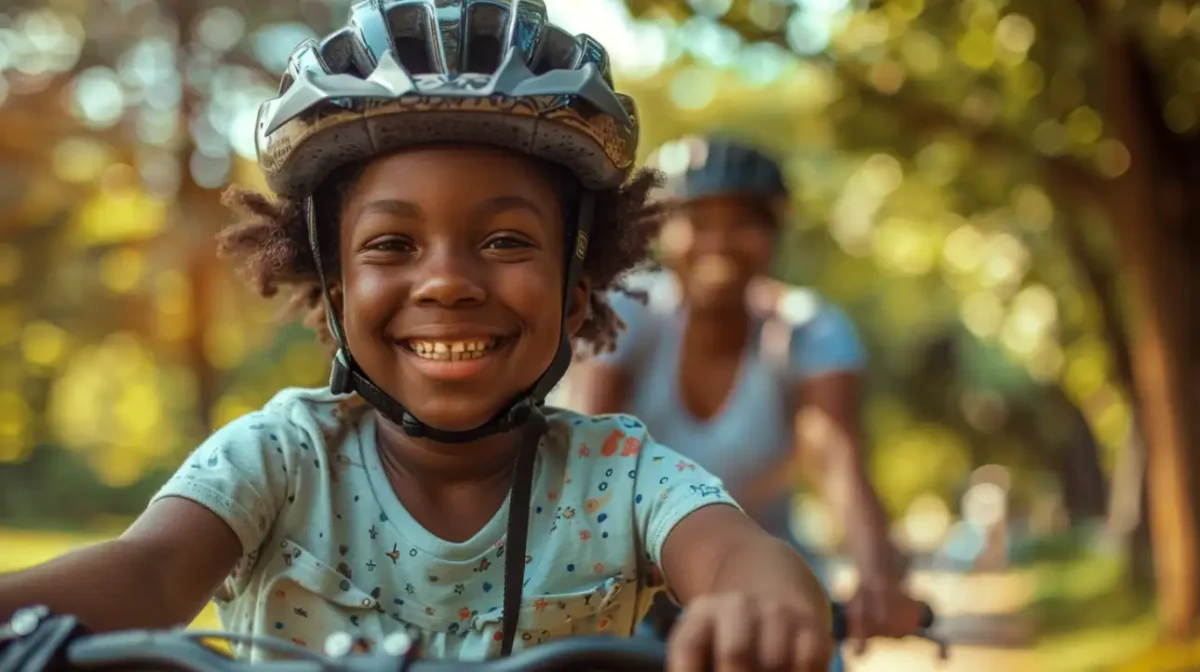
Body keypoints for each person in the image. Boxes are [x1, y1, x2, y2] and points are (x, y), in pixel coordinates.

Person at [0, 3, 921, 670]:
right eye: (393, 244)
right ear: (332, 294)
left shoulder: (620, 475)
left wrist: (763, 597)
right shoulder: (278, 458)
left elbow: (733, 552)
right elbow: (151, 570)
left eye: (507, 241)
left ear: (576, 294)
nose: (446, 279)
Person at [562, 137, 924, 664]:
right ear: (659, 233)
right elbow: (586, 454)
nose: (721, 241)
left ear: (775, 235)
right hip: (624, 578)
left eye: (746, 221)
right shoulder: (628, 312)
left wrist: (877, 578)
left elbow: (838, 459)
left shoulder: (806, 330)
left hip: (767, 579)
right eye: (698, 219)